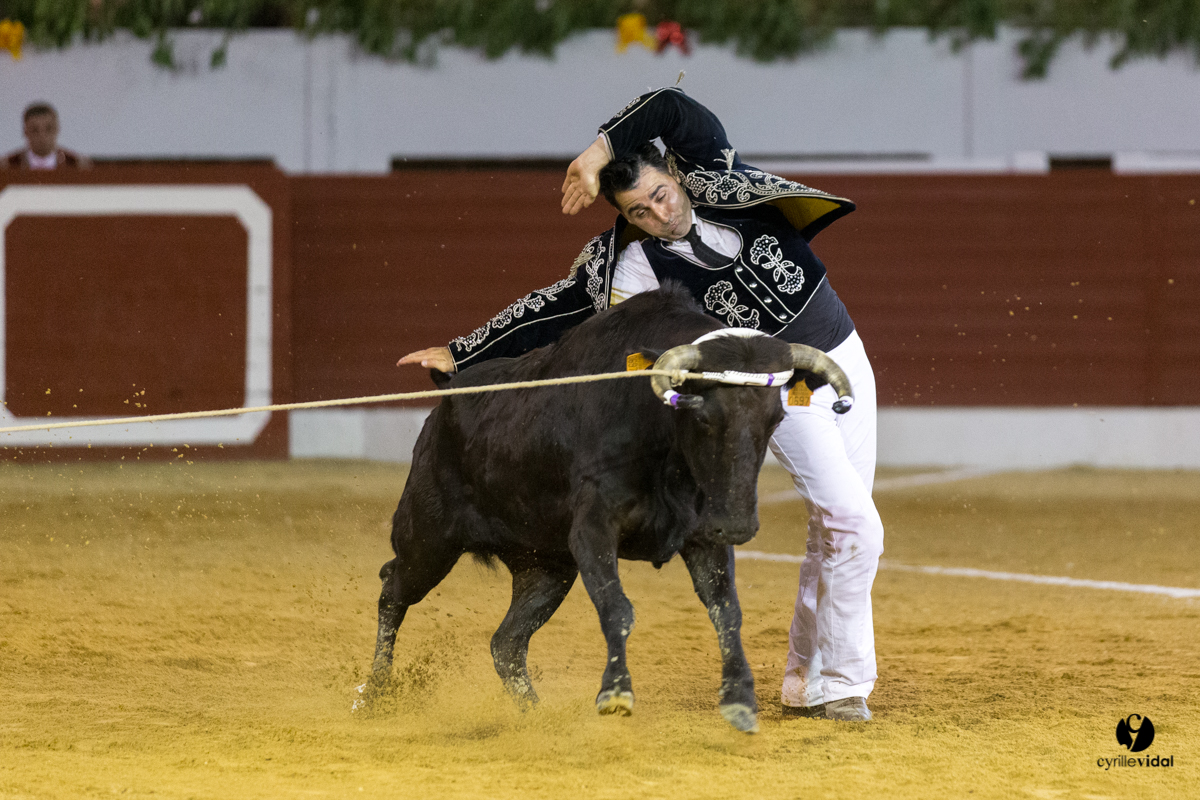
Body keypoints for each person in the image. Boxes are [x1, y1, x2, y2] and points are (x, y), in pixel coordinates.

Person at [399, 87, 883, 722]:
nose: (661, 212)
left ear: (676, 175)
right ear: (626, 216)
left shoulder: (715, 177)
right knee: (855, 524)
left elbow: (672, 105)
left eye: (662, 194)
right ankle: (846, 683)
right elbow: (556, 309)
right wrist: (463, 351)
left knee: (836, 529)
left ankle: (805, 675)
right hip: (764, 389)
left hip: (844, 353)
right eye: (641, 210)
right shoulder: (631, 267)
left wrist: (599, 151)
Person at [3, 102, 91, 170]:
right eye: (35, 130)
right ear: (25, 132)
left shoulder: (76, 165)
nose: (42, 135)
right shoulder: (7, 166)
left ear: (57, 129)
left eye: (48, 129)